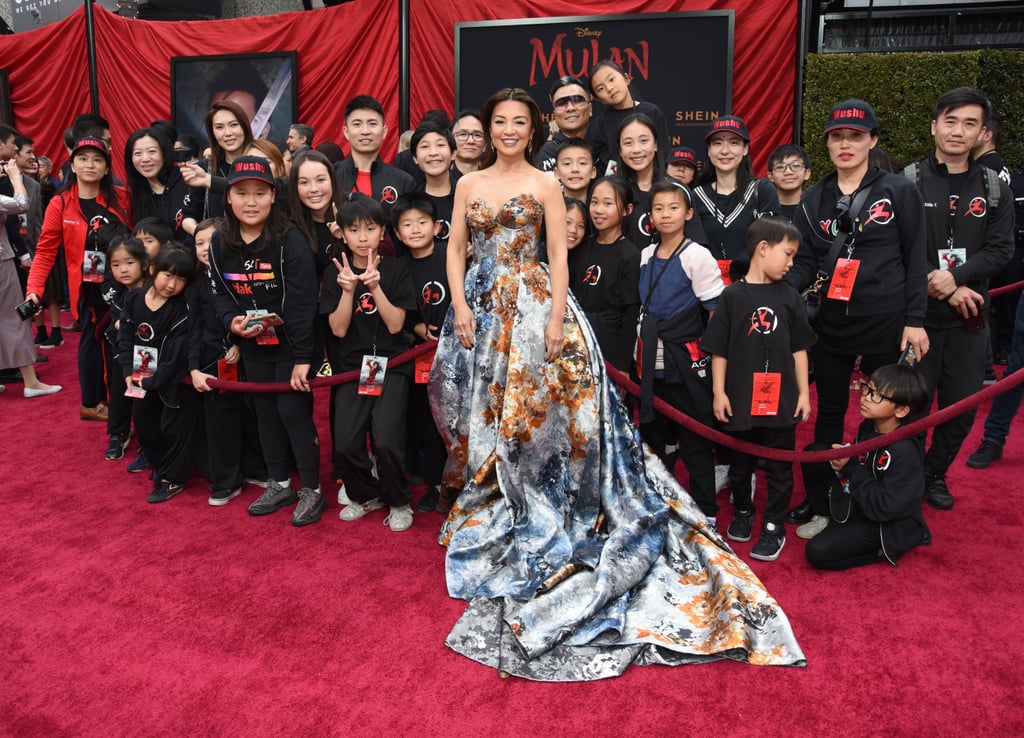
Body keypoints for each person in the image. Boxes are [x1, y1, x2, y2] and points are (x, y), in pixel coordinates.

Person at [428, 87, 802, 681]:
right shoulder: (468, 184)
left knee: (536, 417)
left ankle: (541, 498)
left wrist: (554, 318)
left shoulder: (549, 184)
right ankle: (491, 493)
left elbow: (557, 254)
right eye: (498, 122)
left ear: (533, 130)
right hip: (479, 308)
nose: (506, 131)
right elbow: (454, 249)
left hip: (533, 309)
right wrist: (461, 305)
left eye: (517, 123)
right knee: (481, 411)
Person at [784, 99, 929, 529]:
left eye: (856, 136)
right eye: (837, 137)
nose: (846, 144)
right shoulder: (814, 198)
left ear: (873, 140)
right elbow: (807, 261)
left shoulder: (899, 191)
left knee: (885, 413)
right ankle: (825, 500)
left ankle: (879, 498)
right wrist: (779, 294)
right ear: (827, 143)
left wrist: (915, 320)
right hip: (831, 323)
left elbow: (915, 258)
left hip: (887, 320)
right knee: (828, 412)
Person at [907, 87, 1015, 510]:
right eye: (950, 121)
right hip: (917, 317)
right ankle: (908, 474)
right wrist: (937, 282)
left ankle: (935, 474)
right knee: (911, 406)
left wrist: (955, 279)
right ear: (935, 126)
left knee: (961, 408)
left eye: (970, 123)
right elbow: (899, 245)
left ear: (982, 133)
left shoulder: (994, 188)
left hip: (970, 318)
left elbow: (1001, 249)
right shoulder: (909, 181)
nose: (958, 131)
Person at [208, 156, 321, 526]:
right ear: (228, 198)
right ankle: (280, 483)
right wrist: (233, 323)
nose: (251, 201)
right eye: (241, 193)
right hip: (254, 343)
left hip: (294, 343)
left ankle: (313, 489)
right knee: (266, 414)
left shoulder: (291, 241)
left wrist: (305, 356)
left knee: (291, 411)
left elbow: (304, 304)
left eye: (260, 193)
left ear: (273, 196)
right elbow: (221, 294)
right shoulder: (219, 241)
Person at [700, 216, 815, 561]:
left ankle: (774, 524)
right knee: (740, 463)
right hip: (740, 396)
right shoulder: (732, 295)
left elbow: (799, 348)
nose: (792, 263)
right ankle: (744, 511)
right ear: (763, 249)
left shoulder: (791, 296)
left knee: (780, 467)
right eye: (788, 254)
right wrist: (719, 393)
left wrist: (804, 394)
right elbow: (718, 349)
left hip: (781, 399)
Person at [321, 194, 418, 531]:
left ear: (383, 232)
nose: (363, 237)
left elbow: (395, 325)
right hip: (352, 366)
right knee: (346, 444)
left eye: (370, 228)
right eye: (354, 230)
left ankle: (399, 501)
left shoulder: (397, 269)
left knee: (387, 439)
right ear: (343, 235)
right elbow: (338, 328)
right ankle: (366, 493)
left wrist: (375, 287)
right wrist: (348, 291)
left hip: (392, 364)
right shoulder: (335, 272)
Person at [26, 136, 131, 422]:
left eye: (97, 159)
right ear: (72, 163)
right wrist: (34, 290)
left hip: (125, 283)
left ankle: (122, 403)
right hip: (88, 288)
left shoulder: (121, 198)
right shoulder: (60, 203)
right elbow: (45, 251)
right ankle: (92, 403)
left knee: (122, 342)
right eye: (82, 158)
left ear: (107, 168)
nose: (90, 165)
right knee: (93, 341)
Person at [636, 180, 724, 523]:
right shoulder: (645, 254)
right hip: (649, 359)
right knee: (656, 435)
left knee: (695, 438)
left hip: (685, 359)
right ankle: (662, 501)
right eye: (658, 208)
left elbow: (715, 313)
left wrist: (716, 365)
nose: (665, 214)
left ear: (688, 213)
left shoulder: (697, 255)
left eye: (673, 207)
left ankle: (707, 513)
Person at [805, 364, 931, 570]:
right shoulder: (870, 425)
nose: (866, 398)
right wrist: (847, 460)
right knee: (815, 453)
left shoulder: (904, 451)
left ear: (901, 410)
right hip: (860, 498)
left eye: (877, 395)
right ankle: (827, 517)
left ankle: (879, 552)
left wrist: (851, 467)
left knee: (818, 551)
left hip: (885, 521)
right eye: (867, 389)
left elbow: (885, 508)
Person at [188, 217, 267, 505]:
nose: (205, 248)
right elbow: (193, 327)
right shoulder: (195, 284)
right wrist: (194, 366)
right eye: (198, 242)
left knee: (254, 415)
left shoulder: (242, 274)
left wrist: (238, 345)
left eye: (211, 241)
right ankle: (226, 481)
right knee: (221, 421)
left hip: (251, 355)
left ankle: (257, 468)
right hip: (212, 360)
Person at [118, 246, 197, 503]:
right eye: (168, 275)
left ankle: (172, 478)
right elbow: (125, 338)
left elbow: (175, 357)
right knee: (143, 424)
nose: (172, 285)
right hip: (141, 375)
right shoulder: (133, 299)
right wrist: (128, 372)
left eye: (181, 279)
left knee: (173, 429)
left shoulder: (181, 312)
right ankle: (159, 466)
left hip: (170, 381)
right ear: (152, 270)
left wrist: (154, 381)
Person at [392, 192, 450, 513]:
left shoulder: (450, 256)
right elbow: (402, 310)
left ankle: (454, 479)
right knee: (422, 418)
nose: (415, 230)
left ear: (437, 227)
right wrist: (416, 330)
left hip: (453, 349)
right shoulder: (398, 267)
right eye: (407, 225)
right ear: (398, 234)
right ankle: (433, 482)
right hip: (415, 353)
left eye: (422, 223)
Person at [0, 157, 61, 400]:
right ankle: (30, 381)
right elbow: (22, 203)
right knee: (17, 317)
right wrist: (15, 177)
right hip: (2, 263)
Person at [692, 116, 781, 284]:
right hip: (707, 288)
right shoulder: (696, 196)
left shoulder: (762, 190)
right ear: (709, 150)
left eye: (733, 143)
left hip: (755, 285)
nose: (725, 151)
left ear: (745, 148)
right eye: (717, 143)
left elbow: (770, 241)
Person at [569, 175, 639, 371]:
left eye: (607, 203)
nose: (598, 210)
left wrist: (622, 366)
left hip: (609, 345)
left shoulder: (630, 255)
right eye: (594, 202)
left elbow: (631, 314)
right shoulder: (582, 245)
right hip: (576, 339)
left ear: (627, 210)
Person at [101, 234, 147, 462]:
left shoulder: (153, 289)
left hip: (148, 354)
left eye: (129, 263)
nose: (123, 270)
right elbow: (118, 324)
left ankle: (145, 435)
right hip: (122, 352)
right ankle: (118, 432)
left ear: (144, 263)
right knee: (119, 392)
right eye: (116, 265)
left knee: (143, 396)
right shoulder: (118, 294)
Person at [180, 100, 255, 230]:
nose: (228, 133)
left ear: (244, 126)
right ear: (213, 133)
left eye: (234, 125)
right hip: (217, 247)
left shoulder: (260, 162)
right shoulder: (205, 168)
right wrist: (203, 236)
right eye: (219, 127)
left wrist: (210, 181)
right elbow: (188, 215)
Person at [587, 60, 670, 176]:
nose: (609, 88)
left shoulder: (652, 112)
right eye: (601, 88)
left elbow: (664, 152)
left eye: (611, 79)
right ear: (597, 99)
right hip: (615, 187)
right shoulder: (599, 124)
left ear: (626, 78)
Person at [124, 127, 191, 246]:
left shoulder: (187, 180)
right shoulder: (134, 194)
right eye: (137, 153)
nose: (145, 159)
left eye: (152, 151)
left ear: (164, 154)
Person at [410, 121, 457, 248]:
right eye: (425, 147)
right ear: (415, 158)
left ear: (453, 154)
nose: (433, 153)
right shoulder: (410, 201)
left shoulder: (468, 195)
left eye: (440, 145)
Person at [535, 75, 594, 173]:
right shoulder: (548, 154)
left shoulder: (604, 146)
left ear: (590, 109)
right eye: (561, 103)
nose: (570, 108)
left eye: (577, 100)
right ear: (555, 114)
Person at [766, 144, 811, 221]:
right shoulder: (763, 211)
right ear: (770, 176)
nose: (788, 172)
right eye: (780, 167)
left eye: (796, 165)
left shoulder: (815, 210)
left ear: (807, 173)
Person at [552, 137, 597, 203]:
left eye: (582, 163)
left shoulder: (598, 210)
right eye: (567, 163)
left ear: (593, 172)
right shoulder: (549, 209)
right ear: (557, 173)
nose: (575, 169)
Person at [451, 110, 485, 177]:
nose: (470, 141)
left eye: (477, 135)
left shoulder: (495, 181)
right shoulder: (441, 181)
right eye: (462, 134)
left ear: (486, 145)